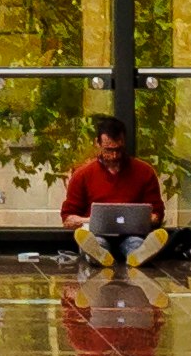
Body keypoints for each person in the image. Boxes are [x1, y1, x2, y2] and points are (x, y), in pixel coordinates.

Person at [61, 116, 184, 272]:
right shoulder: (82, 175)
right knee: (96, 242)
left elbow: (157, 214)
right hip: (96, 232)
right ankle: (97, 254)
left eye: (118, 149)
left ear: (124, 143)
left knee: (135, 243)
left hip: (132, 233)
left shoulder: (144, 172)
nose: (114, 156)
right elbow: (67, 219)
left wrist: (143, 219)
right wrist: (92, 220)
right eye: (108, 150)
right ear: (97, 143)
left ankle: (139, 254)